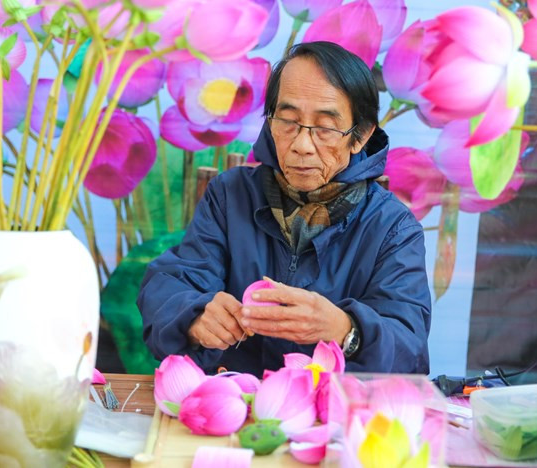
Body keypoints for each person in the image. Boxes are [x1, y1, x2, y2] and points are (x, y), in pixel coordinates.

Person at [138, 41, 431, 376]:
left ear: (360, 136)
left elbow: (409, 347)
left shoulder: (393, 229)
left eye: (325, 128)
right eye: (288, 121)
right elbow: (170, 283)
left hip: (331, 417)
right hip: (236, 406)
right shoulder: (230, 196)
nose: (302, 145)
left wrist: (345, 330)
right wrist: (194, 316)